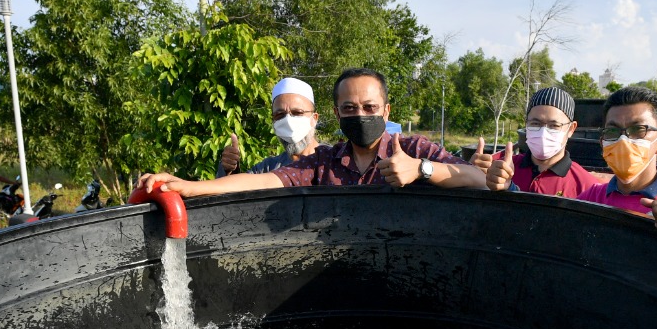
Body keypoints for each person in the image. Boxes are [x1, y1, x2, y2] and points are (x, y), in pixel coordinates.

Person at [140, 68, 489, 197]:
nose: (360, 115)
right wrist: (190, 187)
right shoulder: (324, 162)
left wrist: (421, 170)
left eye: (369, 108)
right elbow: (262, 181)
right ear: (336, 114)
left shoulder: (414, 148)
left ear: (386, 111)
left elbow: (477, 179)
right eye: (350, 109)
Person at [484, 86, 657, 240]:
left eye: (637, 130)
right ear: (602, 143)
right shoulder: (592, 199)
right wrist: (510, 190)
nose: (623, 140)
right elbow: (547, 229)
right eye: (613, 132)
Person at [470, 86, 599, 198]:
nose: (543, 132)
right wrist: (473, 173)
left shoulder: (587, 186)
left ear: (571, 129)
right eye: (535, 123)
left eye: (554, 126)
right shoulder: (499, 166)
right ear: (526, 124)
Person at [216, 77, 327, 178]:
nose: (288, 121)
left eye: (297, 112)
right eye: (280, 115)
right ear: (273, 121)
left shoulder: (334, 161)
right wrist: (228, 170)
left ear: (314, 118)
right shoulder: (267, 168)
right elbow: (233, 191)